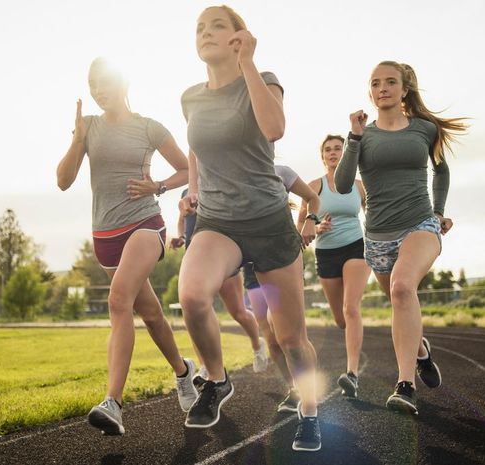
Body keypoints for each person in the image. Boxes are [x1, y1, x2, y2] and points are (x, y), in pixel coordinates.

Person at [177, 5, 323, 452]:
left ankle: (310, 412)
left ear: (239, 36)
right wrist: (193, 190)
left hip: (269, 223)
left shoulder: (264, 77)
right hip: (219, 221)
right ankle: (217, 380)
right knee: (192, 294)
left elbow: (275, 128)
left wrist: (249, 63)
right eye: (199, 28)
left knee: (290, 339)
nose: (204, 33)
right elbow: (197, 148)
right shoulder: (191, 97)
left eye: (216, 26)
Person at [56, 57, 197, 435]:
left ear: (123, 82)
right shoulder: (88, 127)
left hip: (145, 225)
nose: (99, 90)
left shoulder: (149, 128)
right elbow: (63, 181)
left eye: (105, 82)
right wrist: (77, 141)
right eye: (92, 84)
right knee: (150, 313)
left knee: (118, 301)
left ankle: (113, 403)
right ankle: (184, 372)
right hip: (104, 236)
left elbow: (187, 169)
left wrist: (160, 187)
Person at [334, 61, 468, 415]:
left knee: (402, 288)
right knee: (400, 302)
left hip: (419, 225)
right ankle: (421, 350)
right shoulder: (364, 136)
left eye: (390, 82)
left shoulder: (424, 129)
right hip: (377, 237)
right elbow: (344, 184)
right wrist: (354, 137)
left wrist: (438, 213)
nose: (383, 88)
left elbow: (441, 170)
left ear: (404, 89)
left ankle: (405, 386)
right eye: (376, 83)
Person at [297, 135, 371, 400]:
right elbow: (301, 231)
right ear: (322, 156)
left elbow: (373, 216)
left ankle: (351, 374)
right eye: (327, 149)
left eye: (338, 148)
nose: (333, 153)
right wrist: (316, 227)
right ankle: (351, 344)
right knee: (341, 319)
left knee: (351, 308)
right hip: (326, 254)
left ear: (346, 153)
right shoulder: (313, 187)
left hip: (357, 247)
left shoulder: (360, 186)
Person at [242, 164, 320, 414]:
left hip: (281, 258)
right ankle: (293, 388)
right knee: (270, 334)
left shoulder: (281, 172)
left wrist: (310, 221)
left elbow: (312, 198)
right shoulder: (232, 174)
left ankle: (309, 393)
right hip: (251, 265)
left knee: (293, 337)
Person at [170, 188, 268, 378]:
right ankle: (205, 366)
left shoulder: (219, 184)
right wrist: (181, 237)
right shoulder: (185, 192)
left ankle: (257, 344)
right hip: (195, 260)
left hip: (221, 258)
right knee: (195, 313)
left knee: (238, 311)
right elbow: (182, 220)